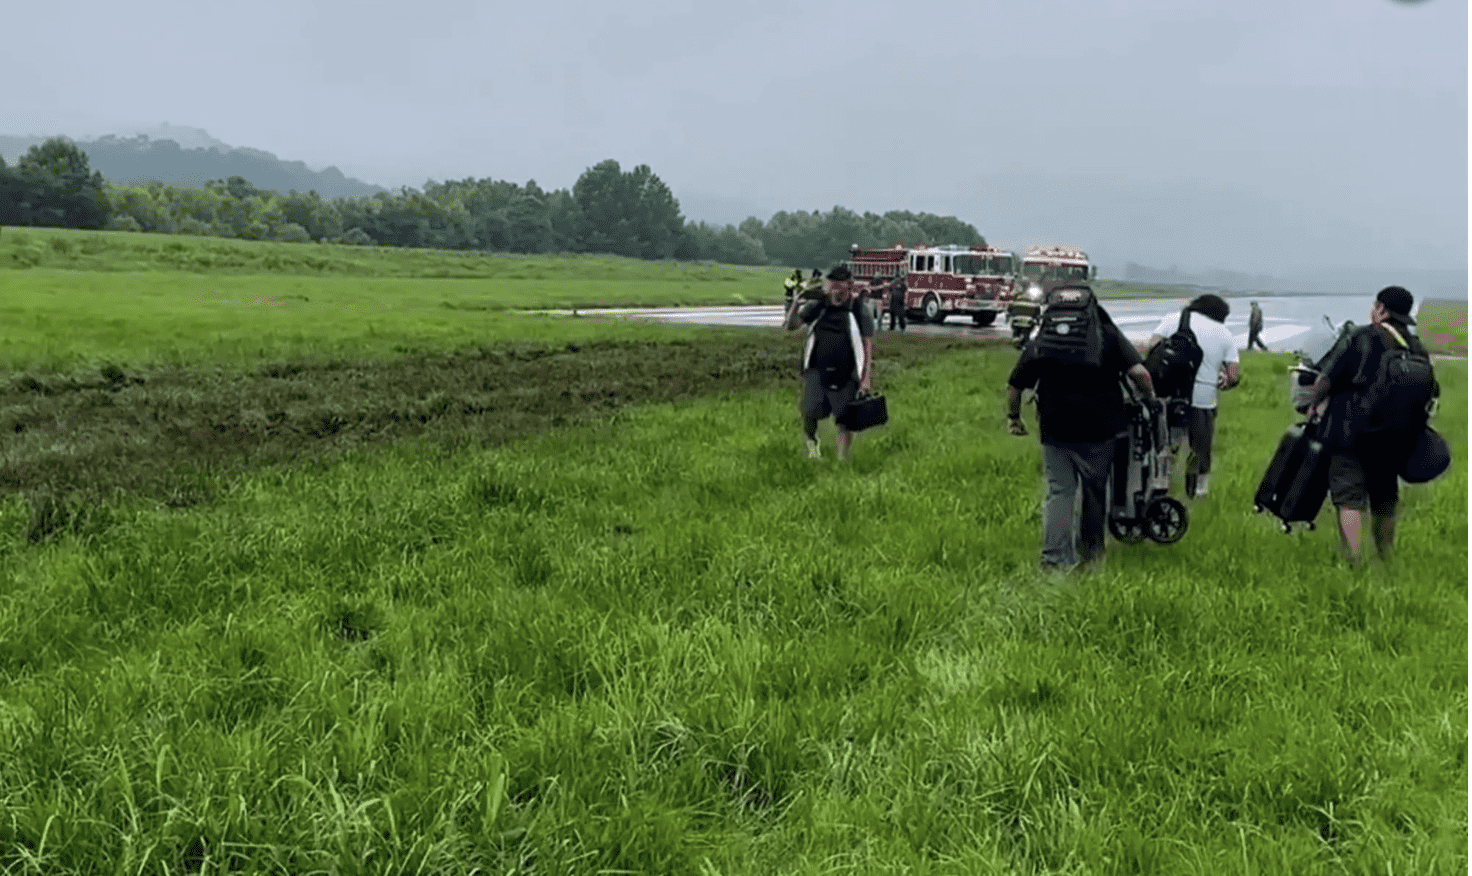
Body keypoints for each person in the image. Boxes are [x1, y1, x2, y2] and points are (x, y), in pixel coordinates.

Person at [1006, 285, 1156, 571]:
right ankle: (1091, 555)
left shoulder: (1044, 339)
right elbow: (1139, 373)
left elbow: (1015, 386)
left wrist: (1014, 417)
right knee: (1095, 490)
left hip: (1055, 428)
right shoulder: (1106, 335)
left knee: (1060, 491)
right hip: (1100, 431)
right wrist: (1150, 398)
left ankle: (1055, 559)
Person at [1303, 285, 1438, 564]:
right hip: (1394, 436)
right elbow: (1431, 390)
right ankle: (1386, 557)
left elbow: (1326, 378)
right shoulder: (1414, 346)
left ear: (1380, 309)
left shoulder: (1360, 337)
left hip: (1349, 430)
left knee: (1348, 494)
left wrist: (1313, 404)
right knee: (1386, 495)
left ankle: (1353, 561)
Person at [1144, 294, 1240, 498]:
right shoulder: (1224, 333)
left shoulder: (1173, 319)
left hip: (1168, 394)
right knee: (1200, 446)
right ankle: (1199, 489)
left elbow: (1150, 347)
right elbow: (1232, 375)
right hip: (1203, 399)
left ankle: (1162, 484)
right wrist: (1225, 380)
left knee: (1167, 442)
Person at [784, 264, 876, 461]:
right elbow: (791, 326)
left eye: (839, 287)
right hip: (816, 369)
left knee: (844, 418)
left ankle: (842, 459)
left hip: (847, 371)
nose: (834, 291)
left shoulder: (859, 308)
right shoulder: (818, 305)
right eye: (832, 286)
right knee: (810, 412)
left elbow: (868, 344)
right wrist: (795, 303)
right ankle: (812, 448)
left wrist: (865, 378)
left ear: (849, 286)